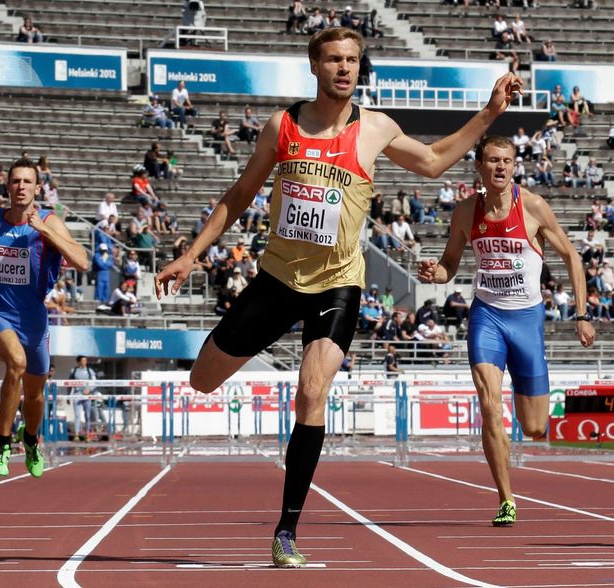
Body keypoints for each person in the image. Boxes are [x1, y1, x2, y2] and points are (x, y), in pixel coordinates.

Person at [155, 27, 523, 567]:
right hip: (278, 281)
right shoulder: (281, 127)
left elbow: (434, 160)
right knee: (202, 379)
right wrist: (192, 254)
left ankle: (286, 531)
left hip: (338, 284)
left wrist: (490, 112)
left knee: (312, 391)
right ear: (315, 65)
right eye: (334, 59)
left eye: (353, 60)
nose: (345, 68)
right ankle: (281, 513)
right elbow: (239, 194)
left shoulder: (373, 128)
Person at [417, 135, 596, 528]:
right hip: (488, 318)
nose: (500, 167)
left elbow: (572, 257)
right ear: (479, 167)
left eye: (507, 161)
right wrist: (436, 273)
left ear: (515, 166)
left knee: (533, 427)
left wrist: (581, 315)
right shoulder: (466, 211)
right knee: (488, 404)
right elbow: (449, 264)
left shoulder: (532, 206)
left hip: (527, 321)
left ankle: (525, 402)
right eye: (493, 160)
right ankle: (506, 498)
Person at [0, 157, 89, 477]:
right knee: (15, 362)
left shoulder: (50, 221)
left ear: (37, 188)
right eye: (15, 181)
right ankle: (1, 446)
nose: (20, 187)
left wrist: (43, 230)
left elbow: (83, 262)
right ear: (7, 185)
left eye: (27, 182)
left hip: (34, 319)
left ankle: (30, 439)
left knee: (35, 395)